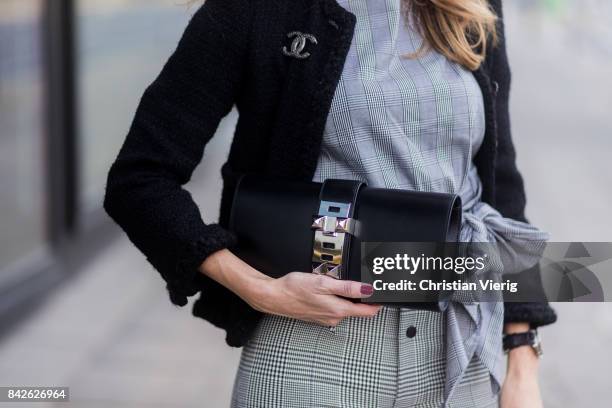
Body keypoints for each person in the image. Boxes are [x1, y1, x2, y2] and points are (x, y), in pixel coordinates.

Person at [104, 0, 557, 406]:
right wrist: (255, 286)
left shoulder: (471, 8)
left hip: (462, 354)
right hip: (313, 358)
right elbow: (141, 178)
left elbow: (501, 191)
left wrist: (522, 357)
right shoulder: (255, 11)